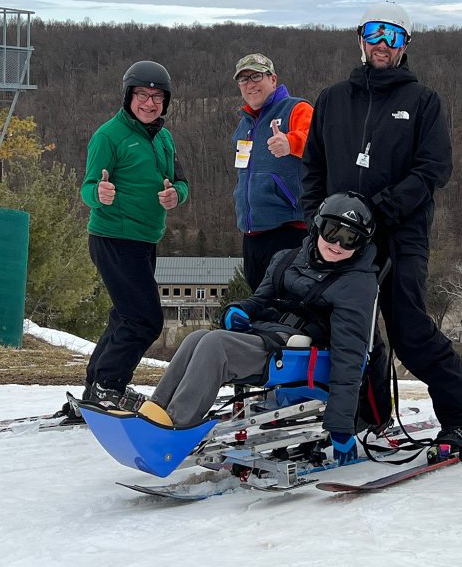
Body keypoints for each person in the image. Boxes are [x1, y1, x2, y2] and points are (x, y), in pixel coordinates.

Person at [301, 1, 462, 455]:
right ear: (361, 39)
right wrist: (316, 221)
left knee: (408, 331)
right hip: (338, 238)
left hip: (400, 233)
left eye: (394, 37)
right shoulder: (332, 99)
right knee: (345, 329)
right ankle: (369, 416)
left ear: (405, 46)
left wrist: (378, 210)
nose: (383, 45)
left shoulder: (422, 102)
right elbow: (313, 168)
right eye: (376, 34)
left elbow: (432, 170)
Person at [137, 192, 379, 465]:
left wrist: (341, 425)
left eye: (349, 238)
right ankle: (154, 413)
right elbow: (260, 299)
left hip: (303, 357)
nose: (336, 243)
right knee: (197, 338)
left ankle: (177, 428)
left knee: (216, 345)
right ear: (318, 226)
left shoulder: (357, 284)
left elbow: (350, 355)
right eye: (331, 231)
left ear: (361, 244)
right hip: (271, 338)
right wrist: (240, 309)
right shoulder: (289, 258)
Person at [65, 60, 189, 420]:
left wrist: (175, 196)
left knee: (125, 315)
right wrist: (98, 194)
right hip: (114, 237)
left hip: (145, 239)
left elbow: (179, 181)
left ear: (165, 102)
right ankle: (108, 387)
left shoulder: (163, 137)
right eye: (141, 95)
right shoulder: (109, 136)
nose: (149, 103)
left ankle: (98, 387)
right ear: (128, 97)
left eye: (156, 97)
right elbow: (88, 187)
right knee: (144, 319)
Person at [231, 53, 314, 290]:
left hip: (288, 231)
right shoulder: (245, 123)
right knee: (260, 309)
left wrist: (291, 142)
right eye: (243, 80)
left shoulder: (296, 108)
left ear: (273, 79)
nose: (250, 84)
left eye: (256, 76)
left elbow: (321, 144)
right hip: (252, 234)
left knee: (288, 310)